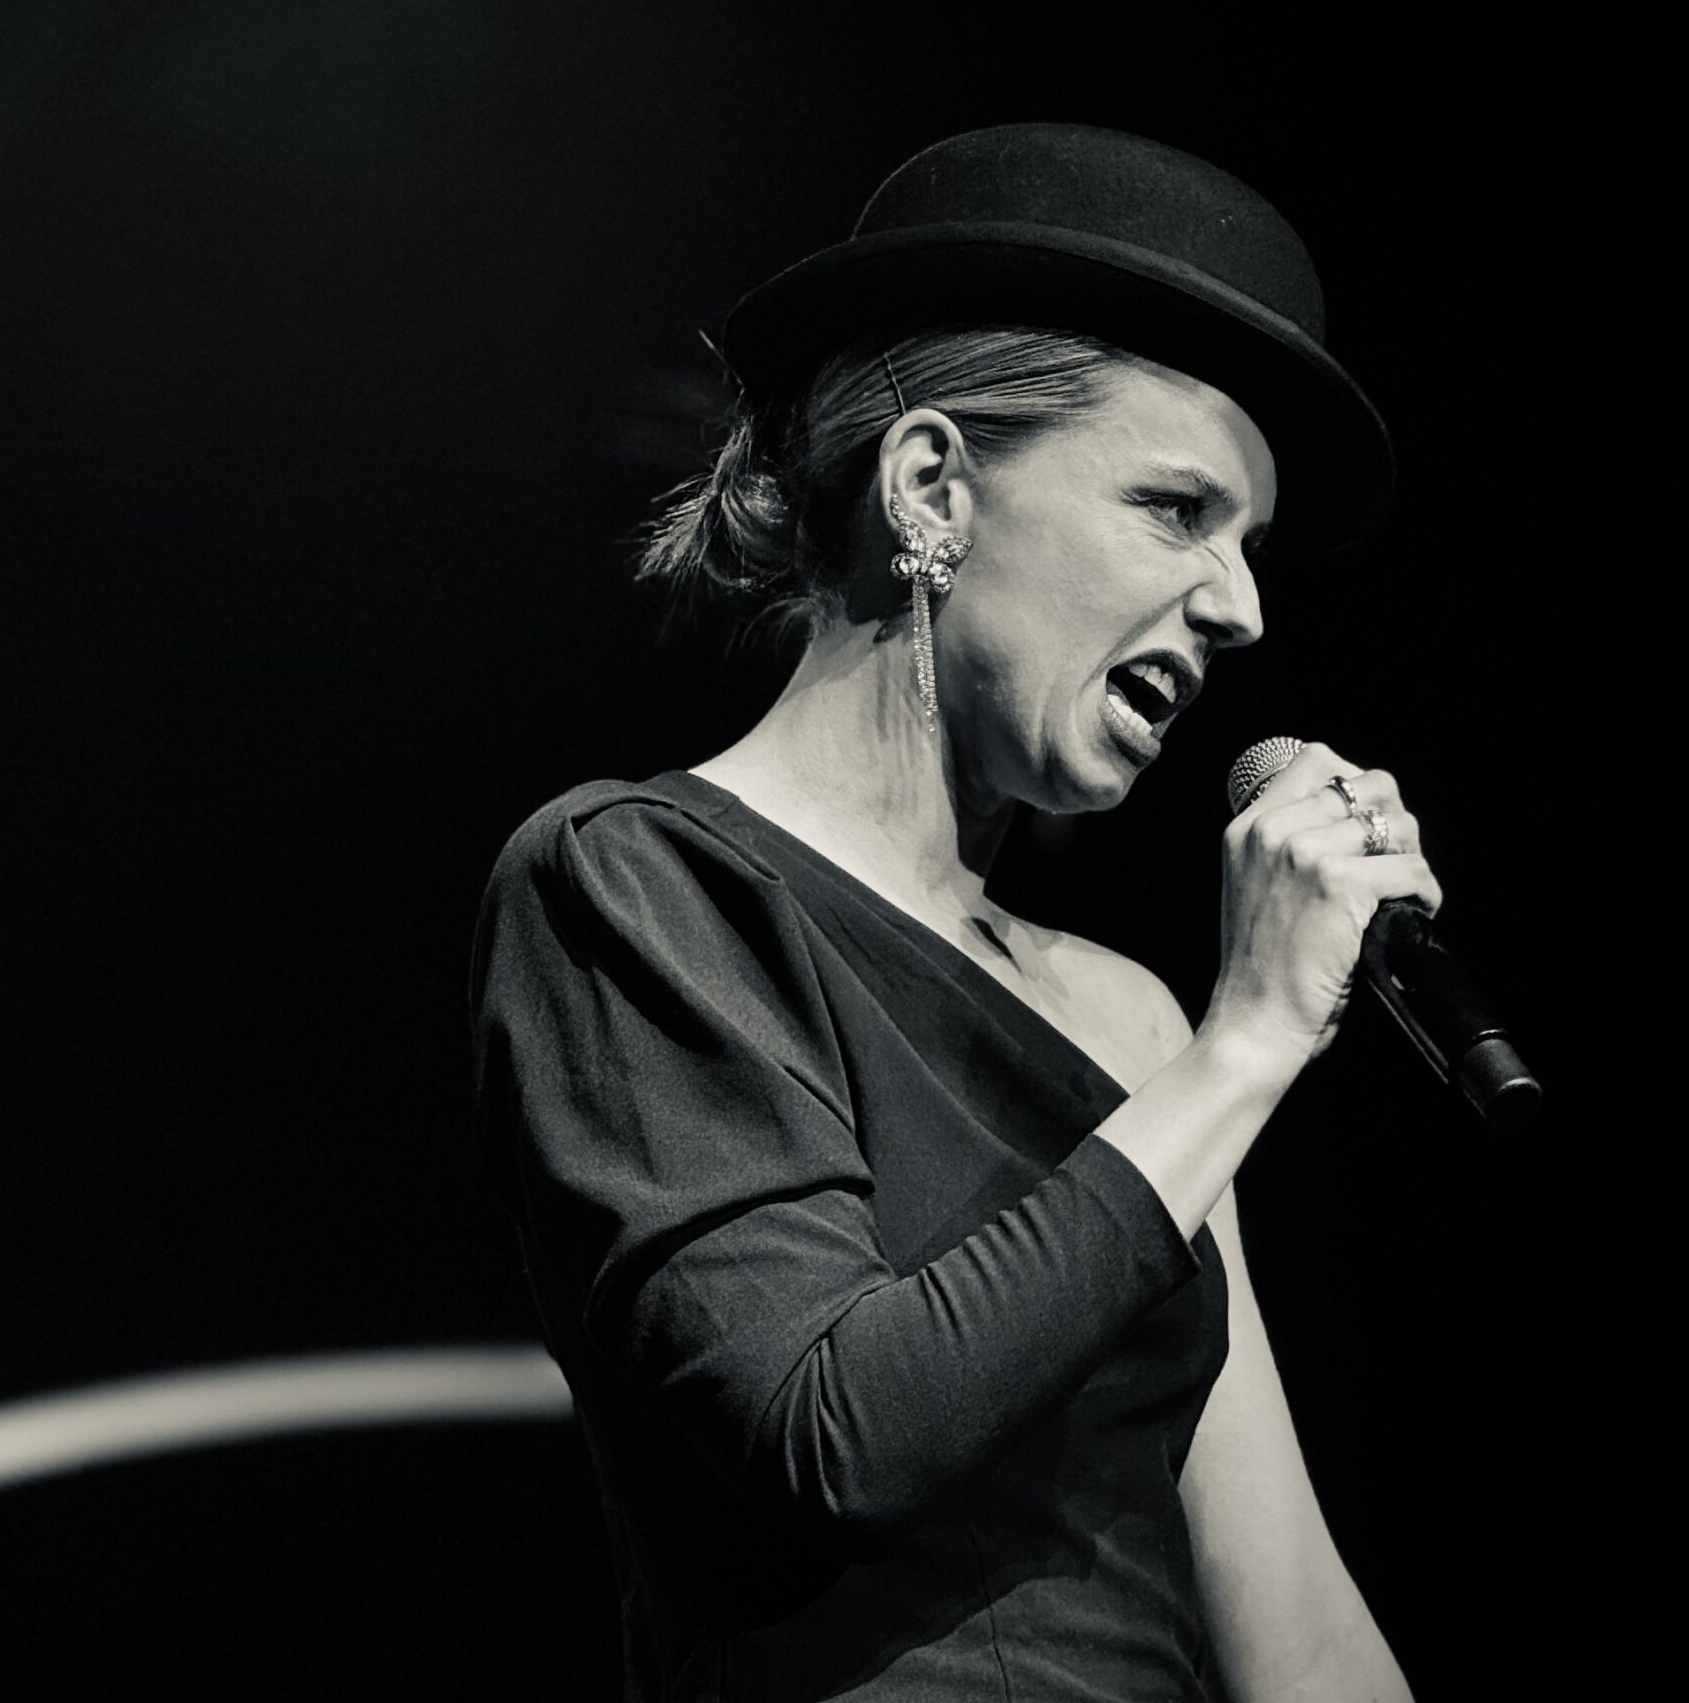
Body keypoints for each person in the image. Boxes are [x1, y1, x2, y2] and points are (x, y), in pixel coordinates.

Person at [470, 124, 1430, 1701]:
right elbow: (828, 1438)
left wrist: (1212, 1049)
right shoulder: (636, 883)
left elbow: (1295, 1628)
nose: (1242, 607)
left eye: (1250, 546)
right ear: (932, 488)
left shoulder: (1133, 1020)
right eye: (1178, 509)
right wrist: (1252, 1039)